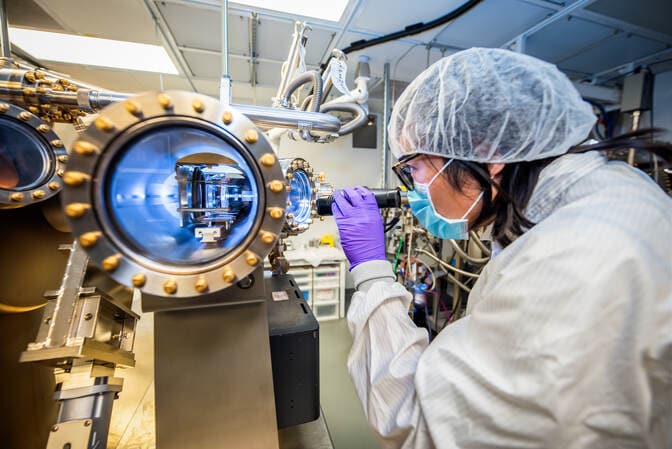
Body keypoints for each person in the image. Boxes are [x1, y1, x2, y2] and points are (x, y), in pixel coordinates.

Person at [331, 48, 672, 449]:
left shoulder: (574, 256)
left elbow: (415, 420)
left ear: (487, 152)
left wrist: (372, 273)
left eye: (415, 167)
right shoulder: (608, 194)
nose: (414, 186)